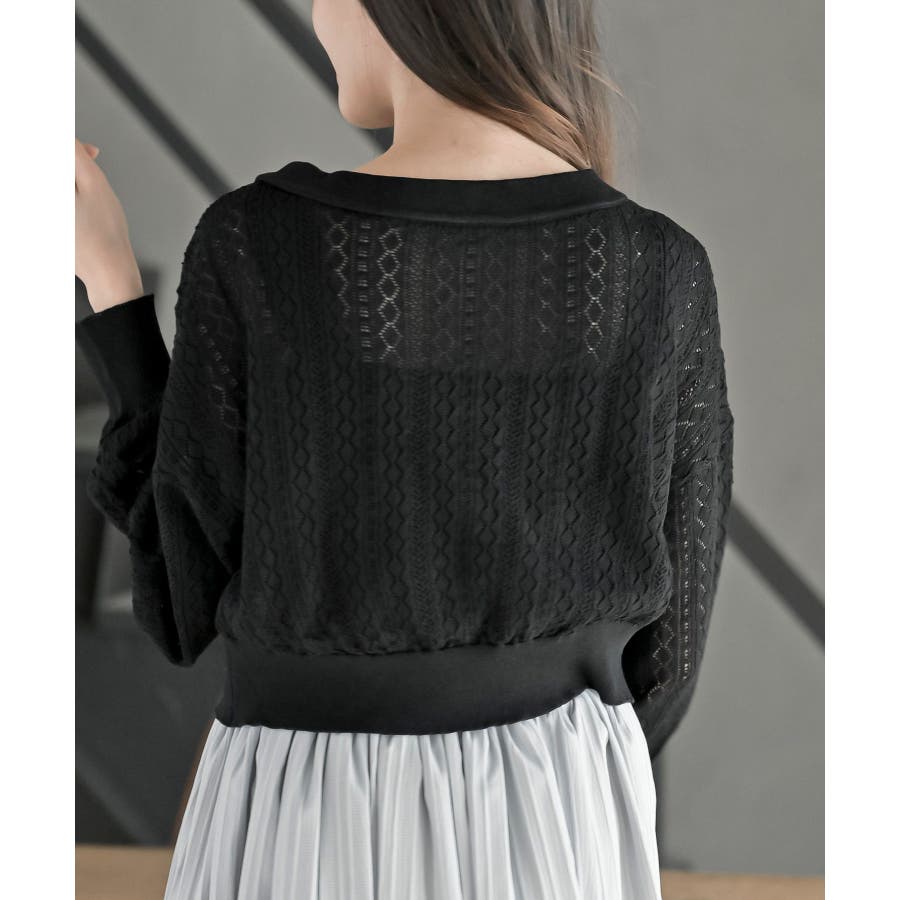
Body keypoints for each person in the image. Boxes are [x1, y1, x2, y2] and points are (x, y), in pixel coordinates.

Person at [74, 0, 735, 897]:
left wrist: (110, 283)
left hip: (306, 806)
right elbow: (671, 656)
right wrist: (569, 781)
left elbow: (182, 599)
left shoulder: (260, 244)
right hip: (560, 803)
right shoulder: (662, 270)